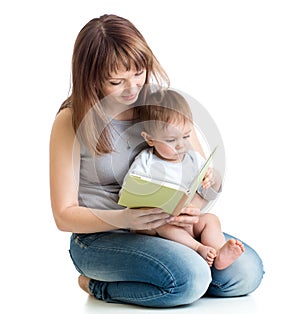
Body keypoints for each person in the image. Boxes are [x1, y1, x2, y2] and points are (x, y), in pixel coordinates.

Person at [49, 14, 264, 308]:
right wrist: (124, 218)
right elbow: (63, 215)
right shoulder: (70, 120)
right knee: (192, 278)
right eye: (116, 81)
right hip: (100, 239)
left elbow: (202, 174)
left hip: (168, 230)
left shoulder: (159, 105)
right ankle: (98, 286)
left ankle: (174, 274)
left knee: (246, 274)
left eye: (139, 73)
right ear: (91, 78)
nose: (132, 87)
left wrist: (192, 208)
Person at [122, 89, 245, 269]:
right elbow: (129, 188)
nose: (181, 145)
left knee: (211, 219)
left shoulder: (193, 158)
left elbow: (212, 186)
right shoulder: (146, 161)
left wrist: (213, 177)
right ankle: (199, 248)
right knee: (163, 225)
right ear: (150, 139)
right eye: (171, 140)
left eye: (186, 136)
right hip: (159, 225)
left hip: (188, 220)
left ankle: (219, 252)